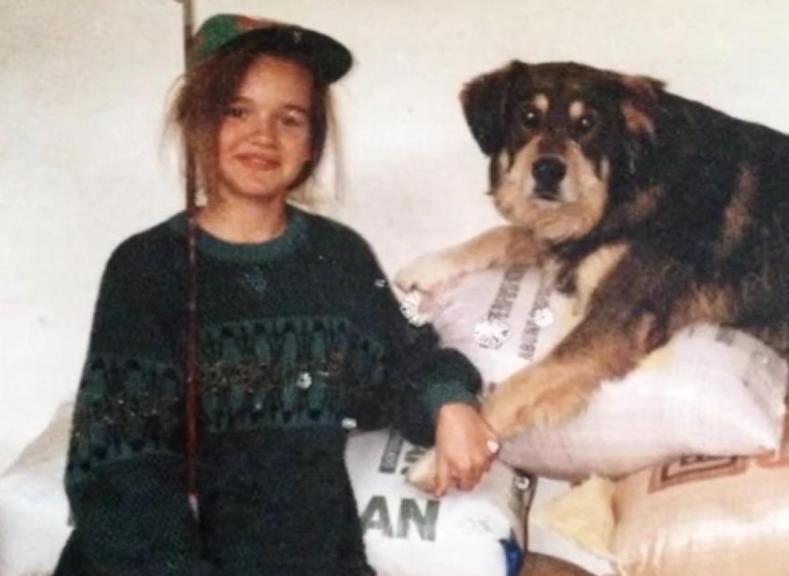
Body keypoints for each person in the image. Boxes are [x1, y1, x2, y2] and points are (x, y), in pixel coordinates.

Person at [54, 14, 496, 576]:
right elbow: (117, 465)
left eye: (290, 119)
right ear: (199, 120)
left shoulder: (339, 257)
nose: (263, 136)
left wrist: (449, 402)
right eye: (237, 111)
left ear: (311, 141)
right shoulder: (146, 269)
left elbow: (405, 360)